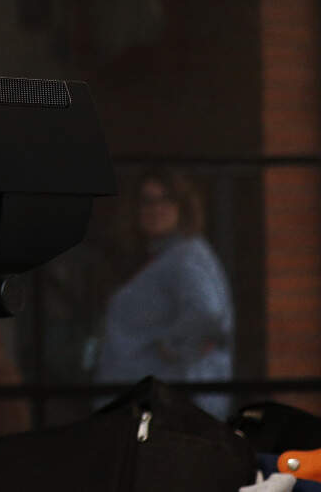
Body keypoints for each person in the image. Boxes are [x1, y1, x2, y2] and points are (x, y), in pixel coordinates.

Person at [93, 169, 234, 418]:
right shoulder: (162, 257)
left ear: (182, 207)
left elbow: (207, 312)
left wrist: (171, 347)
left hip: (164, 411)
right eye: (147, 201)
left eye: (166, 199)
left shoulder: (186, 256)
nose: (155, 209)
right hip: (144, 407)